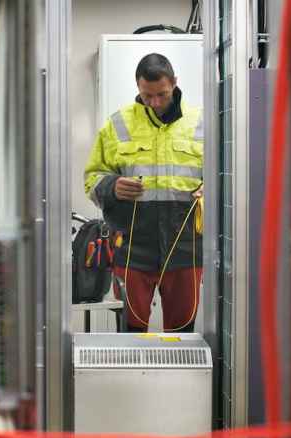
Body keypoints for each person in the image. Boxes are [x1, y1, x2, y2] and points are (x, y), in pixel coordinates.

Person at [84, 53, 203, 333]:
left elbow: (225, 173)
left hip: (186, 248)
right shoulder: (118, 124)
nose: (155, 102)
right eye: (147, 96)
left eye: (162, 94)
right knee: (131, 331)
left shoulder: (202, 123)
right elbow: (91, 179)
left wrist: (212, 186)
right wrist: (112, 186)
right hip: (132, 249)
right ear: (138, 87)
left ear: (174, 82)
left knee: (182, 333)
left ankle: (179, 379)